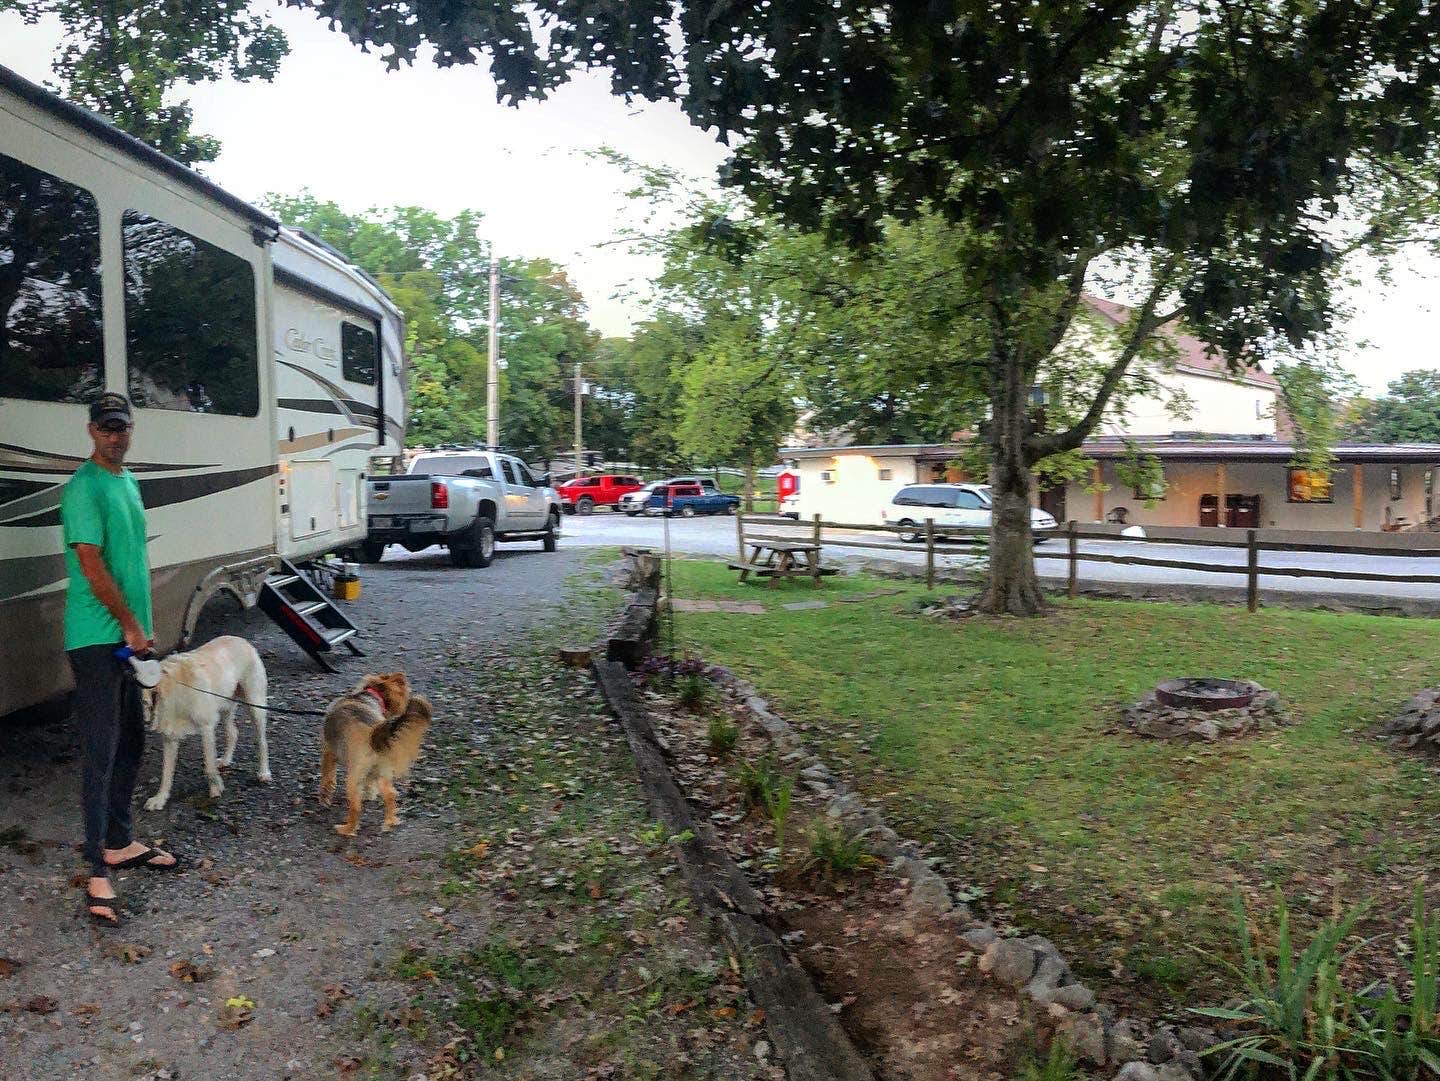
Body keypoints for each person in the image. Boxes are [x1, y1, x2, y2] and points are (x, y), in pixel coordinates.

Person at [62, 392, 176, 926]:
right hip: (94, 638)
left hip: (130, 639)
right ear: (91, 431)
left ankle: (119, 842)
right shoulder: (84, 488)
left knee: (132, 740)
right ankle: (95, 871)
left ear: (132, 429)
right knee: (101, 750)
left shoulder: (128, 483)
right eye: (106, 428)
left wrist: (142, 627)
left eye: (121, 427)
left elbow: (131, 560)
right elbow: (90, 562)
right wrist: (128, 624)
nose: (114, 436)